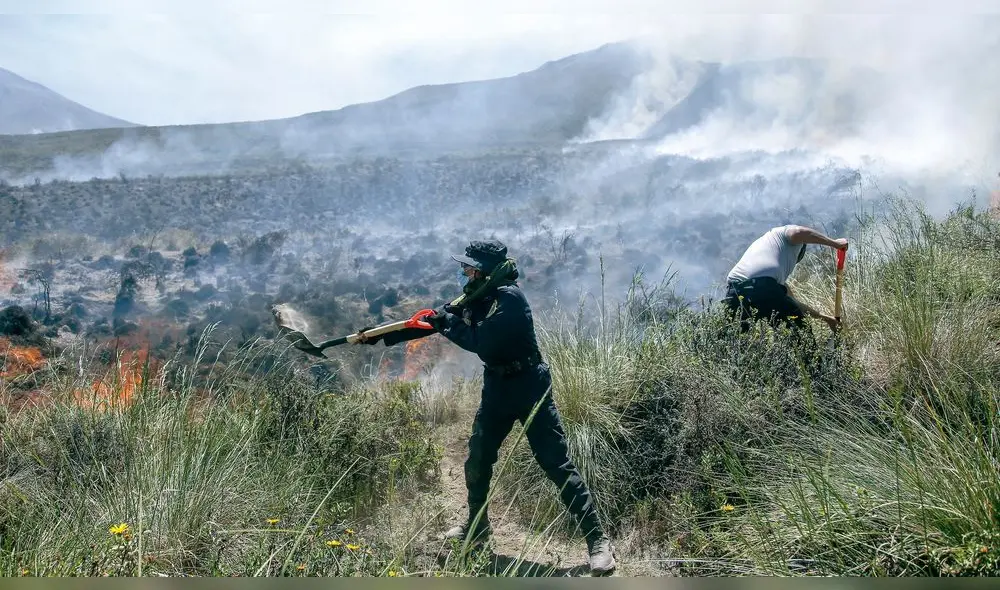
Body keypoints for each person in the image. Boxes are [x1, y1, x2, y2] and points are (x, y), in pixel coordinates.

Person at [356, 239, 616, 576]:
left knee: (555, 463)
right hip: (497, 386)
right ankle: (477, 527)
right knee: (478, 457)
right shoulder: (479, 295)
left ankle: (597, 540)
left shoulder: (510, 299)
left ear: (486, 270)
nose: (465, 271)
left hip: (529, 386)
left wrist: (444, 321)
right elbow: (434, 320)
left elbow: (480, 341)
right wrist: (379, 336)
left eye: (470, 267)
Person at [723, 224, 848, 332]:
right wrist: (835, 243)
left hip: (734, 291)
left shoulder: (766, 252)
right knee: (800, 335)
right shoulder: (782, 234)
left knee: (735, 341)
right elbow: (798, 232)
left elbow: (795, 303)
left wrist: (826, 319)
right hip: (763, 287)